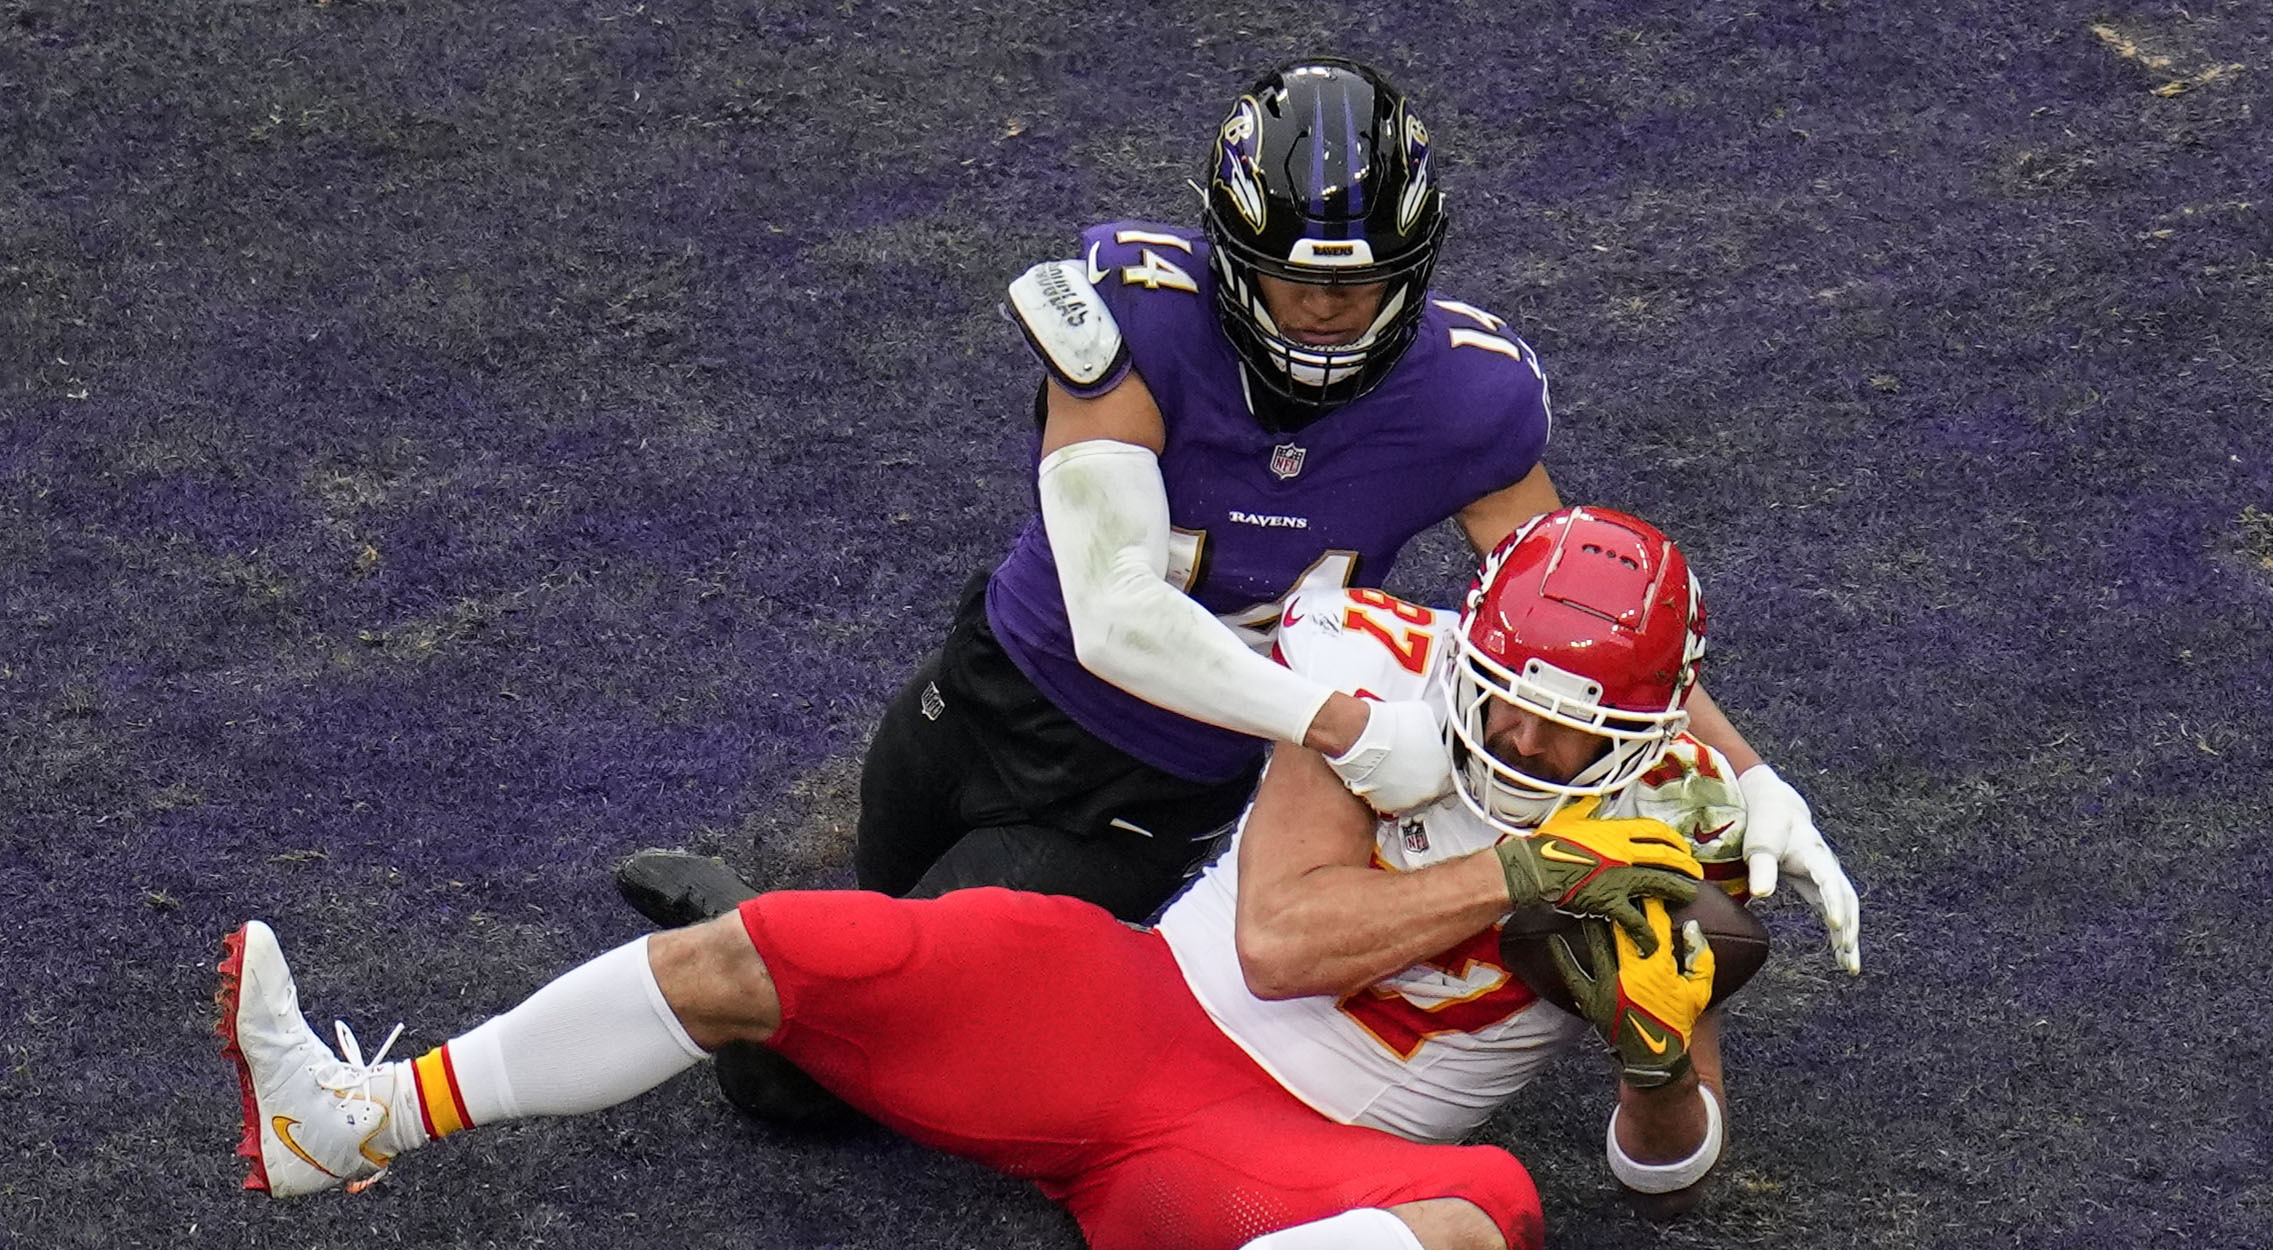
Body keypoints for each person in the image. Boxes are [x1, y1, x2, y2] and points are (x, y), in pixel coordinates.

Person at [220, 507, 1785, 1250]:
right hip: (1127, 1010)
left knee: (1489, 1213)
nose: (1514, 745)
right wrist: (1518, 869)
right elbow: (1277, 940)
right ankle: (356, 1121)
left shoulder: (1678, 844)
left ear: (1652, 731)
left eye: (1559, 736)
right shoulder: (1377, 663)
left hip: (1270, 1157)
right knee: (776, 945)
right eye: (1499, 702)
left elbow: (1667, 1183)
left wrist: (1653, 1066)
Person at [618, 57, 1860, 1122]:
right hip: (983, 694)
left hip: (1153, 792)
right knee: (845, 945)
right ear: (1224, 251)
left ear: (1414, 269)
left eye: (1358, 281)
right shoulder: (1138, 328)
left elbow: (1573, 622)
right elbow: (1114, 617)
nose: (1323, 309)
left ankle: (742, 926)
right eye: (1291, 276)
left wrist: (1747, 773)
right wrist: (1345, 723)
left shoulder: (1466, 399)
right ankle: (758, 922)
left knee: (806, 1084)